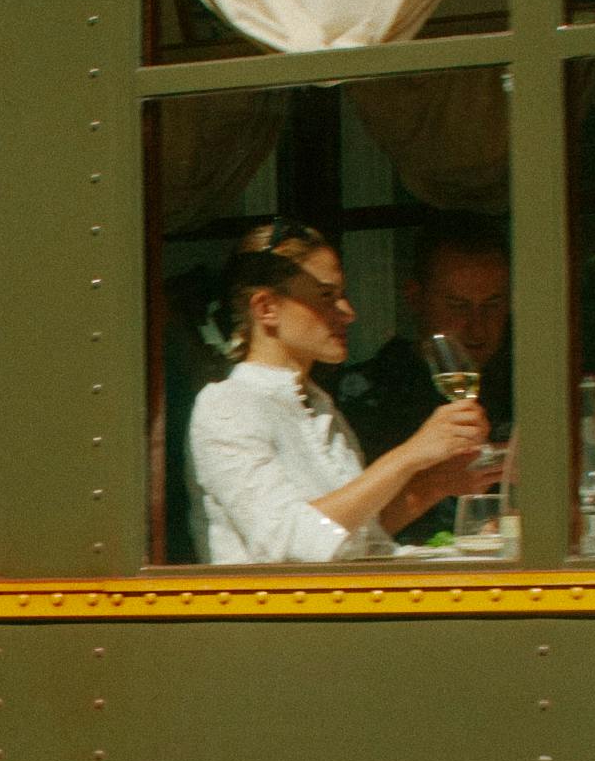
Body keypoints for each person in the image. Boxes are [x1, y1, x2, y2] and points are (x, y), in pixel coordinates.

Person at [188, 229, 490, 563]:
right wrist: (410, 455)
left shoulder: (317, 405)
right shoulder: (226, 406)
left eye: (342, 295)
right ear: (266, 308)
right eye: (326, 296)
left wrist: (437, 483)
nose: (348, 312)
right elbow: (291, 545)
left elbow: (357, 541)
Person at [336, 213, 514, 463]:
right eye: (457, 306)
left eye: (492, 304)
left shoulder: (530, 385)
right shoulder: (366, 396)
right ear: (415, 298)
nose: (477, 327)